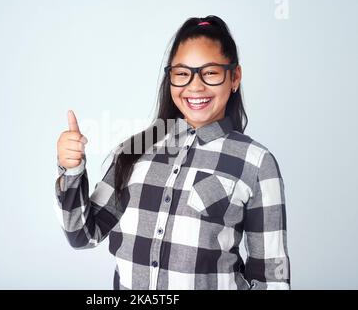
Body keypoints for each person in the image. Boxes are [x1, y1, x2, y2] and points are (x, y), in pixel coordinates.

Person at [55, 15, 290, 290]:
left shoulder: (256, 163)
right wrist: (71, 170)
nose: (195, 85)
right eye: (182, 73)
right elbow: (82, 234)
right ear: (170, 79)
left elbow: (271, 277)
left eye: (210, 72)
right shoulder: (135, 150)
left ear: (234, 77)